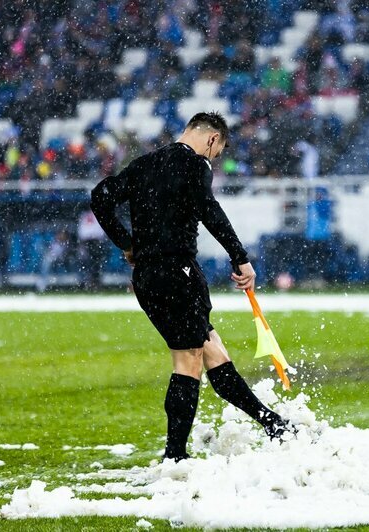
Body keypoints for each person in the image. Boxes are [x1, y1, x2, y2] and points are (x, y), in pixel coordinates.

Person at [90, 112, 292, 462]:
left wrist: (126, 242)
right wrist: (240, 258)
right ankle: (175, 457)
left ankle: (273, 424)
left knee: (213, 351)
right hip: (177, 273)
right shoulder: (196, 165)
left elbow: (100, 197)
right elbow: (209, 211)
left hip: (148, 278)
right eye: (217, 151)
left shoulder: (143, 164)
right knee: (188, 360)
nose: (213, 159)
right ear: (212, 139)